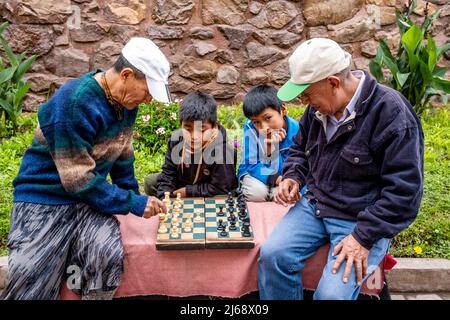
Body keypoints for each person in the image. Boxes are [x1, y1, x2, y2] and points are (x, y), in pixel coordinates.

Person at [2, 37, 171, 300]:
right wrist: (132, 203)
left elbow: (122, 155)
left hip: (87, 200)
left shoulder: (127, 104)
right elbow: (78, 180)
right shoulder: (73, 103)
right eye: (147, 92)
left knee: (107, 255)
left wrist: (132, 196)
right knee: (31, 278)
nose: (148, 100)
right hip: (45, 198)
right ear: (126, 75)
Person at [259, 38, 424, 300]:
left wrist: (363, 237)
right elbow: (300, 149)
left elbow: (405, 193)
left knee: (331, 297)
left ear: (333, 83)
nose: (303, 101)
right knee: (272, 257)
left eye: (306, 93)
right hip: (315, 206)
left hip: (361, 219)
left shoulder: (391, 113)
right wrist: (293, 175)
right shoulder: (317, 111)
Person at [144, 92, 237, 199]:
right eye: (187, 129)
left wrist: (188, 191)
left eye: (201, 130)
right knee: (150, 182)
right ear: (181, 125)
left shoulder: (223, 151)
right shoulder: (176, 140)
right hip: (182, 184)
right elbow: (168, 174)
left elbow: (221, 187)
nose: (194, 136)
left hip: (211, 189)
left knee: (222, 197)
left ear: (214, 126)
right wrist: (165, 197)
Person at [237, 85, 300, 201]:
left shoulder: (298, 130)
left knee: (288, 195)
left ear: (283, 110)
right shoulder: (250, 128)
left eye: (268, 118)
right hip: (257, 172)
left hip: (285, 176)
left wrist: (285, 181)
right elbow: (251, 164)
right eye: (256, 122)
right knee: (256, 193)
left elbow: (298, 166)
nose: (264, 127)